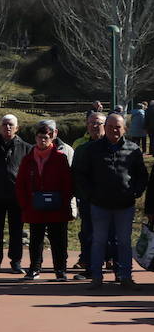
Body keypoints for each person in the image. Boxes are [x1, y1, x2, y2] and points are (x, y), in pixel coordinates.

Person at [72, 112, 146, 291]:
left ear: (125, 129)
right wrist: (90, 195)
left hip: (125, 205)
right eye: (110, 126)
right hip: (99, 205)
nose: (114, 130)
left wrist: (136, 192)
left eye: (118, 127)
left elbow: (142, 174)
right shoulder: (92, 149)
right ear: (105, 128)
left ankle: (125, 276)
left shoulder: (133, 149)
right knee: (98, 241)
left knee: (124, 242)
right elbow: (80, 174)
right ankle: (96, 277)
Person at [16, 120, 74, 280]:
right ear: (35, 138)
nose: (43, 141)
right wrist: (25, 203)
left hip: (57, 207)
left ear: (52, 138)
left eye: (46, 138)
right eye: (40, 137)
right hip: (35, 206)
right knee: (35, 239)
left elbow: (68, 183)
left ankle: (60, 270)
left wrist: (64, 200)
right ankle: (34, 268)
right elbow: (20, 183)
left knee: (59, 240)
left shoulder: (60, 158)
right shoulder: (27, 159)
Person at [0, 114, 31, 273]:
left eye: (10, 125)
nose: (7, 127)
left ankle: (16, 262)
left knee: (16, 231)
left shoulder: (26, 148)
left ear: (17, 128)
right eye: (4, 124)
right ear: (0, 126)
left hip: (16, 196)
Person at [72, 110, 110, 278]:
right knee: (87, 233)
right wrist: (85, 194)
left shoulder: (115, 146)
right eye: (91, 123)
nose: (95, 126)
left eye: (99, 123)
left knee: (112, 234)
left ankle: (117, 268)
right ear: (87, 126)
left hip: (112, 200)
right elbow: (76, 174)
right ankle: (90, 268)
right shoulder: (81, 148)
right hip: (88, 200)